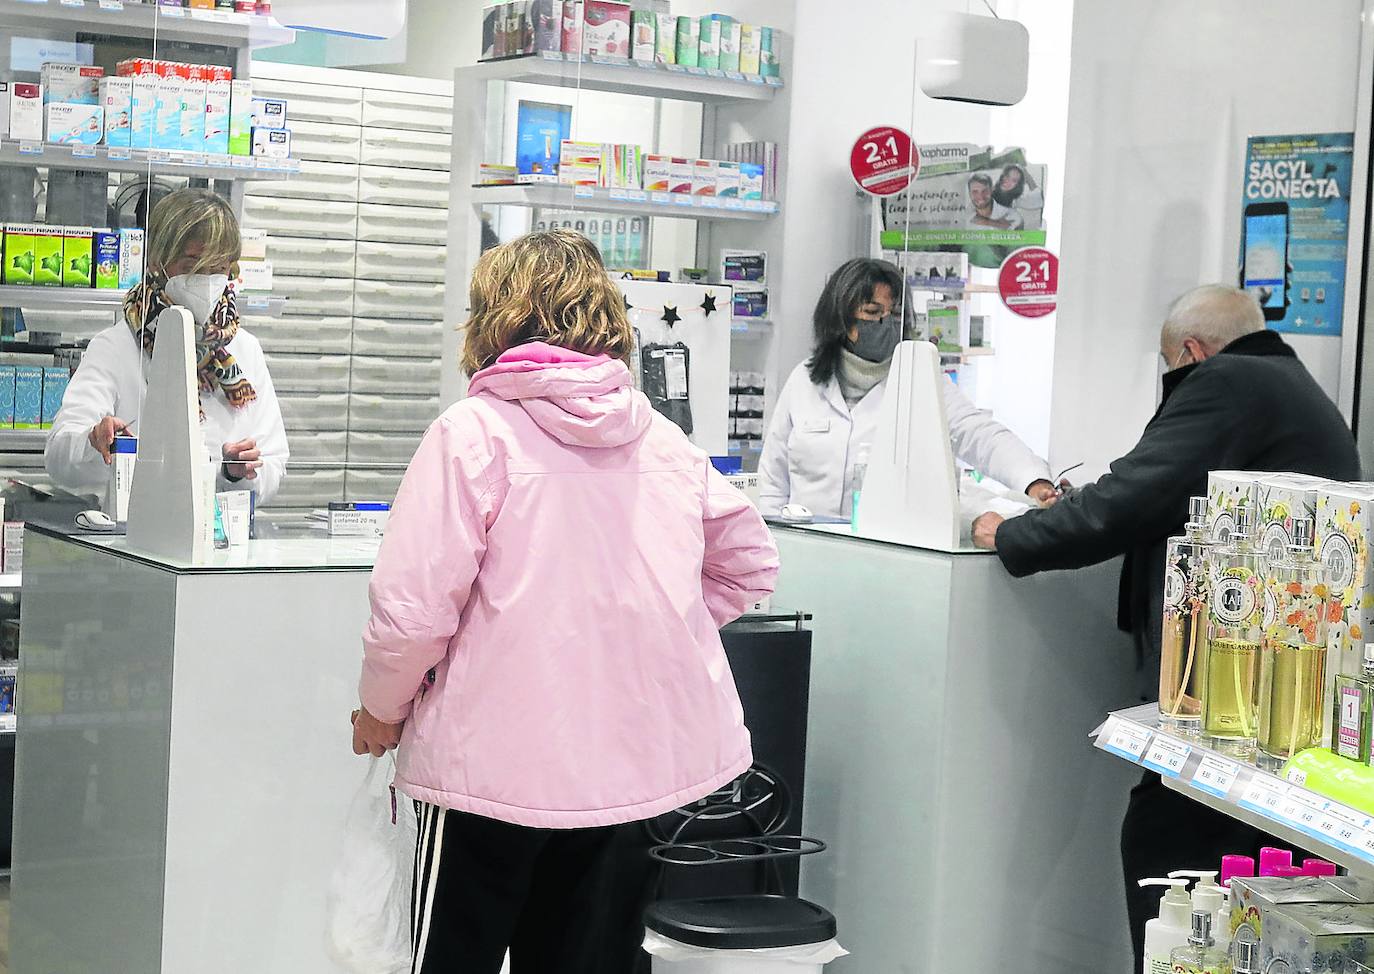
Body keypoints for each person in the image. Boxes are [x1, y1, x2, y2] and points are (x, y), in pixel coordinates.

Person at [349, 228, 779, 974]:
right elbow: (747, 563)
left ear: (493, 318)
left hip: (488, 778)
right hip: (630, 771)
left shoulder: (474, 435)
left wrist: (380, 711)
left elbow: (414, 612)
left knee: (450, 958)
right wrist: (642, 640)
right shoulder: (663, 441)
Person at [970, 284, 1360, 968]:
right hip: (1292, 674)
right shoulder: (1289, 382)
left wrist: (1013, 535)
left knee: (1165, 843)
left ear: (1189, 352)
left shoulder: (1227, 381)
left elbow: (1132, 495)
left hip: (1238, 683)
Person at [758, 257, 1055, 518]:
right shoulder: (804, 380)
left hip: (887, 551)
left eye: (895, 314)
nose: (885, 323)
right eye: (872, 313)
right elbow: (773, 478)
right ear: (841, 318)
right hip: (807, 546)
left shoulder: (920, 378)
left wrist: (1032, 479)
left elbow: (977, 432)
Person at [47, 188, 288, 504]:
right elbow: (59, 459)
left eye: (218, 268)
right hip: (139, 540)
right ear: (159, 262)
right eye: (192, 265)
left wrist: (233, 473)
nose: (207, 279)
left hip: (221, 540)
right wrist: (93, 442)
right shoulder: (117, 347)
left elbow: (273, 461)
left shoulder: (244, 350)